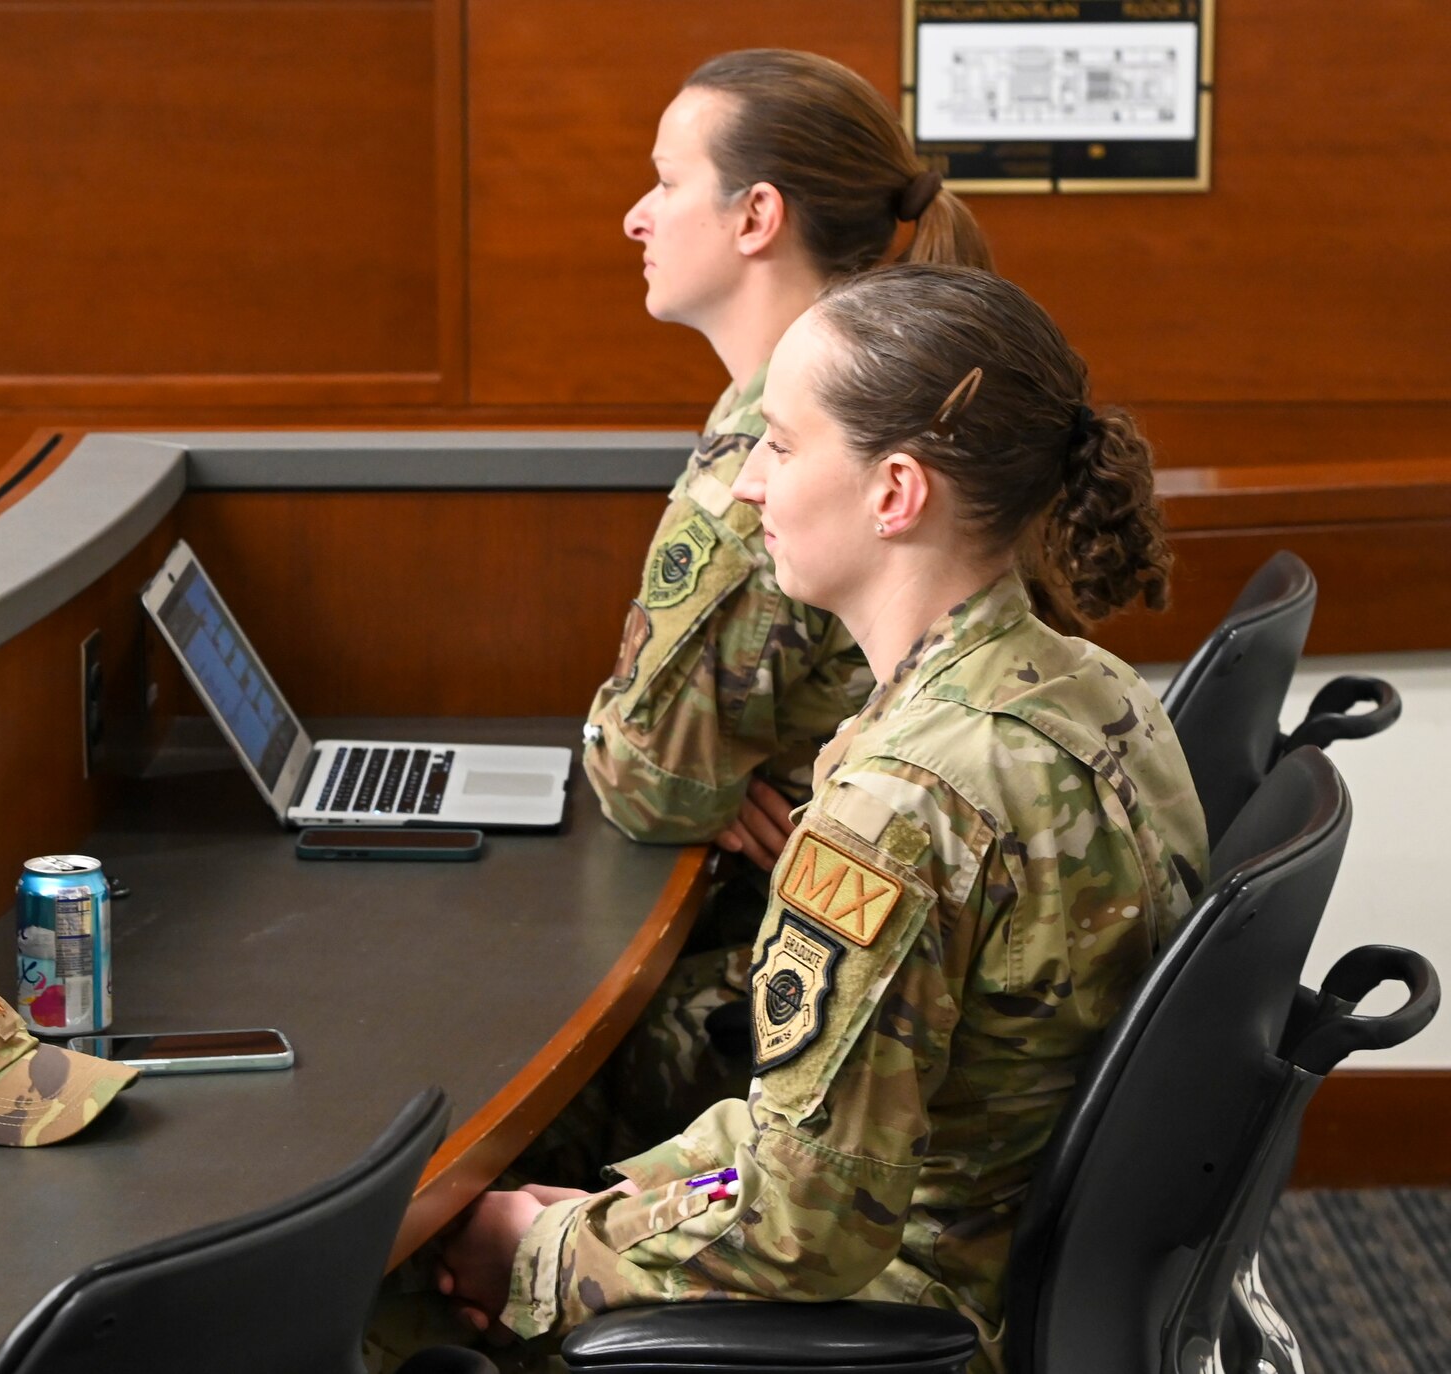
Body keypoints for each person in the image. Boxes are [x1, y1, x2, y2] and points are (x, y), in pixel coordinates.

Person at [438, 263, 1209, 1374]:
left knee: (396, 1319)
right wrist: (620, 1199)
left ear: (893, 492)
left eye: (782, 446)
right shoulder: (1089, 687)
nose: (747, 484)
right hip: (1018, 1266)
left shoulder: (898, 806)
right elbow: (802, 1146)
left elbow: (809, 1221)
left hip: (912, 1310)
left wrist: (543, 1256)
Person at [579, 47, 998, 1164]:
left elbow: (649, 778)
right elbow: (682, 774)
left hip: (830, 968)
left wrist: (691, 773)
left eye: (666, 182)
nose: (635, 216)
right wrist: (715, 777)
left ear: (755, 214)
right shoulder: (891, 378)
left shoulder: (778, 452)